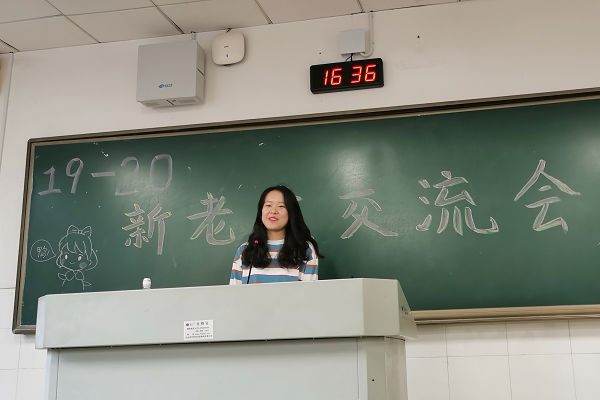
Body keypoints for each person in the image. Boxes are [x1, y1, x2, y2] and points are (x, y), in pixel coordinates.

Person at [229, 185, 323, 284]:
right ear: (261, 211)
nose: (273, 211)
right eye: (268, 205)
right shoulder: (245, 251)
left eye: (281, 206)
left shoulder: (304, 250)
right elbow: (234, 292)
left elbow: (309, 292)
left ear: (291, 212)